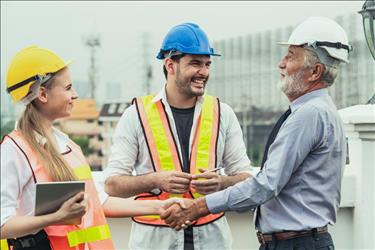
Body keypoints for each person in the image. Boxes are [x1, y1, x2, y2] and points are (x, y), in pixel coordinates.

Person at [161, 16, 352, 250]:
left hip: (296, 244)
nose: (281, 64)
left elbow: (265, 185)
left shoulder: (309, 114)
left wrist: (198, 207)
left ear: (315, 72)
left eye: (291, 56)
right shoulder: (323, 111)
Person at [0, 45, 185, 250]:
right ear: (42, 95)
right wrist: (56, 216)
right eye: (68, 87)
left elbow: (99, 202)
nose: (75, 95)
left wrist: (160, 207)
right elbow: (3, 224)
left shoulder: (69, 147)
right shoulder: (14, 150)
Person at [104, 22, 252, 250]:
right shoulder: (136, 115)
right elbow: (113, 185)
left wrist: (222, 182)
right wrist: (156, 180)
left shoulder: (223, 113)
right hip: (156, 242)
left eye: (207, 64)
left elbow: (246, 178)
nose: (204, 72)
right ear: (170, 65)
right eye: (195, 63)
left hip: (213, 241)